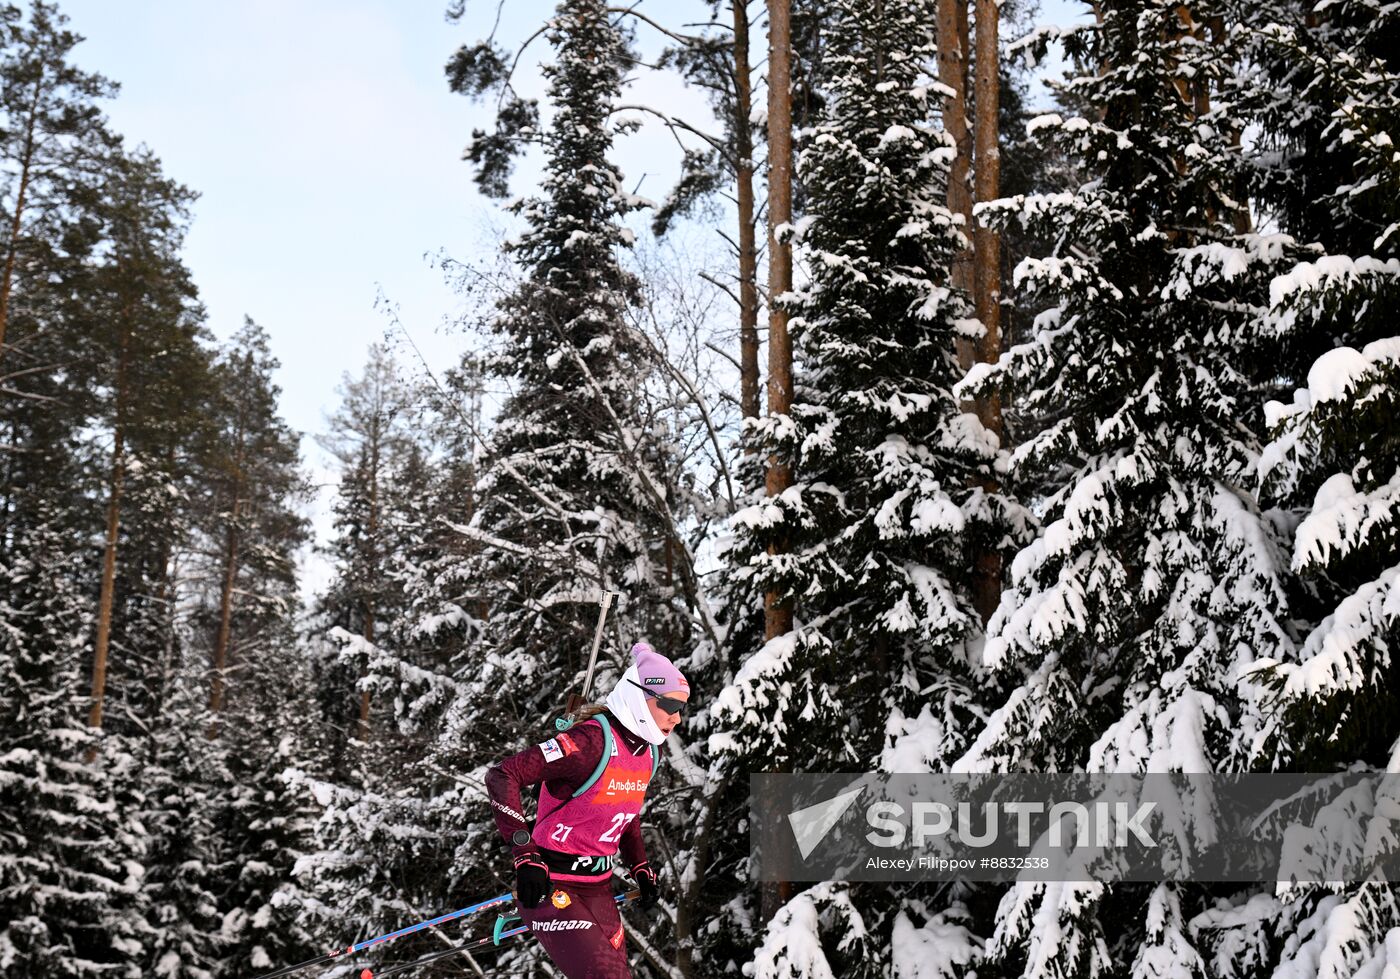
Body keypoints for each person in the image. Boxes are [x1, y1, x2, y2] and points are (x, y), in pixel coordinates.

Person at [484, 641, 690, 979]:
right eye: (668, 704)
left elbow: (625, 810)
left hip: (598, 887)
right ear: (639, 696)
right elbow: (503, 775)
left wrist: (640, 866)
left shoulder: (649, 755)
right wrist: (524, 854)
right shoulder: (587, 742)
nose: (677, 718)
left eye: (681, 707)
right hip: (551, 885)